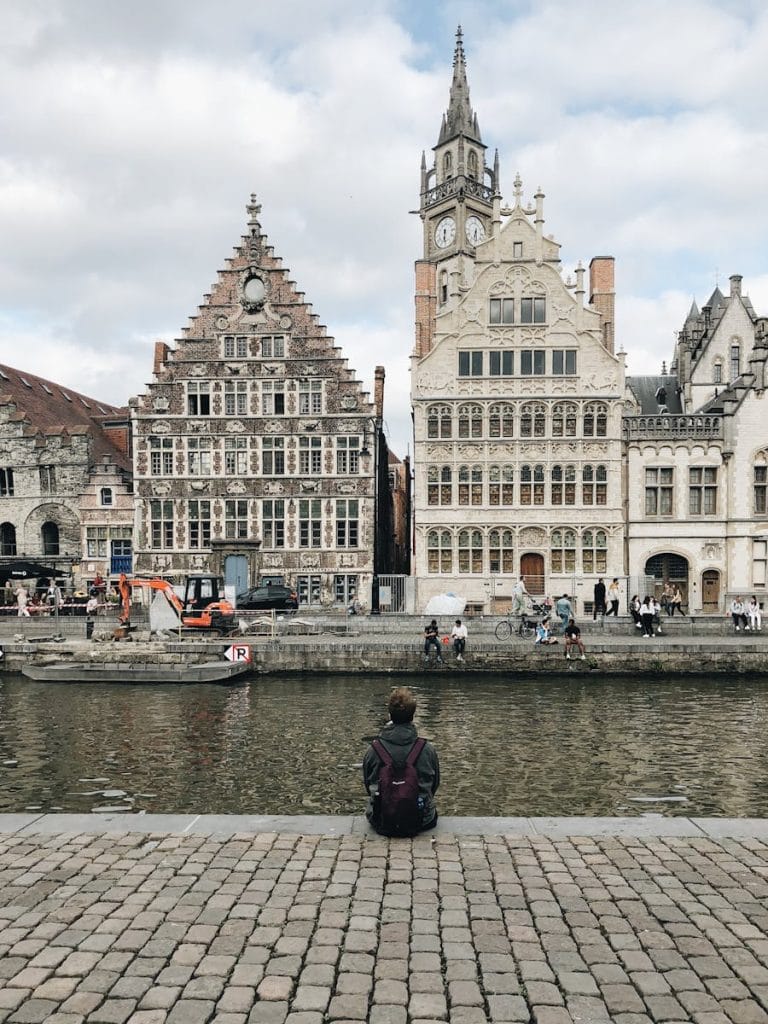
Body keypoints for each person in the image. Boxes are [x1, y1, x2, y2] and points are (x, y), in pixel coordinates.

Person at [363, 687, 439, 836]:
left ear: (390, 715)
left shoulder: (373, 749)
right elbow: (435, 784)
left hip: (381, 818)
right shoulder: (427, 749)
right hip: (421, 818)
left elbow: (368, 784)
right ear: (413, 715)